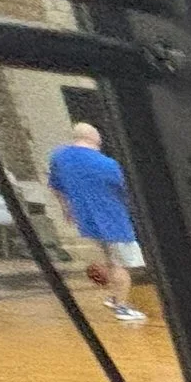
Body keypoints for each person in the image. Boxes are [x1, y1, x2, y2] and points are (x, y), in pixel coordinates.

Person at [45, 122, 145, 323]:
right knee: (122, 264)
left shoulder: (60, 157)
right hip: (112, 220)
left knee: (110, 257)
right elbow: (129, 191)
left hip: (86, 219)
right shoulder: (107, 165)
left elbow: (55, 187)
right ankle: (122, 307)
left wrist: (67, 208)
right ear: (94, 137)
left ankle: (114, 297)